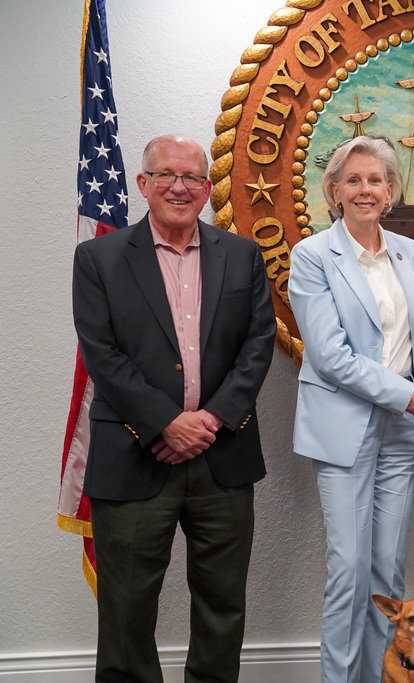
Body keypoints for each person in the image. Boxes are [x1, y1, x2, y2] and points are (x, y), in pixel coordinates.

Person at [71, 134, 277, 682]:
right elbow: (102, 353)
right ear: (143, 184)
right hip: (134, 458)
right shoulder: (98, 258)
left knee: (222, 606)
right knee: (126, 615)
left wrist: (206, 422)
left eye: (192, 177)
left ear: (208, 188)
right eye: (165, 175)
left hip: (222, 456)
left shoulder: (241, 255)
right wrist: (166, 422)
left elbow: (258, 345)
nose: (179, 187)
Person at [288, 135, 414, 683]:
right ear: (334, 190)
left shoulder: (408, 252)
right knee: (349, 573)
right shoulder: (313, 256)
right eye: (354, 180)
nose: (366, 190)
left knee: (388, 577)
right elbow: (331, 356)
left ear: (391, 192)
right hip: (344, 430)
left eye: (377, 180)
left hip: (403, 434)